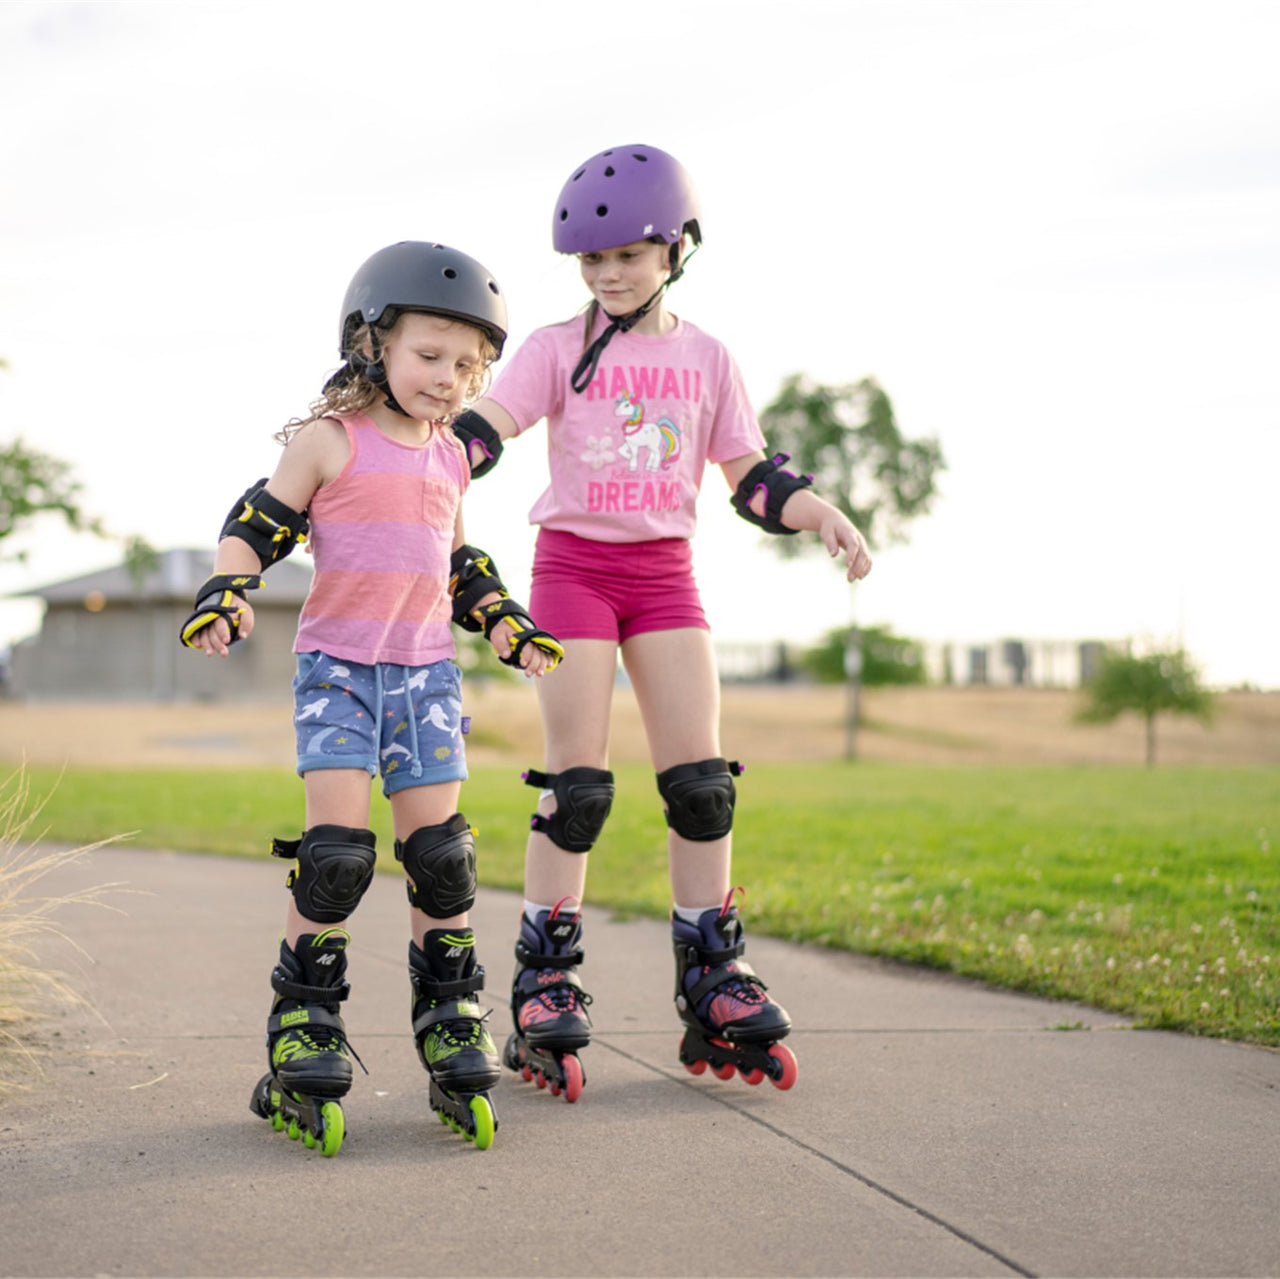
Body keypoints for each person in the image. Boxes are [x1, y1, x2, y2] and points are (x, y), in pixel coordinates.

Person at [449, 145, 872, 1101]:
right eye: (592, 263)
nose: (608, 276)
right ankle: (545, 975)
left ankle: (712, 972)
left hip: (665, 574)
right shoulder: (558, 347)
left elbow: (753, 479)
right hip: (574, 568)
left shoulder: (708, 357)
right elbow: (490, 425)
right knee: (581, 786)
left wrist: (824, 514)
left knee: (702, 785)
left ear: (675, 249)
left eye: (627, 257)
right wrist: (435, 456)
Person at [180, 241, 562, 1153]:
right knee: (339, 854)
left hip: (427, 673)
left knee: (442, 855)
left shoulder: (452, 460)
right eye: (431, 356)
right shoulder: (331, 441)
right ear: (370, 344)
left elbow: (460, 563)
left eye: (470, 365)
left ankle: (453, 1012)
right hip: (340, 671)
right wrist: (226, 590)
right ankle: (304, 1021)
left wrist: (506, 621)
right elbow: (256, 523)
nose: (450, 378)